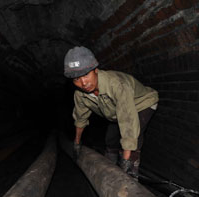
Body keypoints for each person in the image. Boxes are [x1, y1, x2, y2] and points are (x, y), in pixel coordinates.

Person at [64, 46, 159, 179]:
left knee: (133, 140)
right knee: (110, 139)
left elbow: (127, 121)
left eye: (86, 74)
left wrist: (125, 162)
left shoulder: (116, 85)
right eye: (76, 79)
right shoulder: (80, 94)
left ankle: (130, 177)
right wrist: (77, 143)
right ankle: (108, 173)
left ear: (95, 70)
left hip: (142, 104)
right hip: (116, 112)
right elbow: (80, 118)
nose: (83, 83)